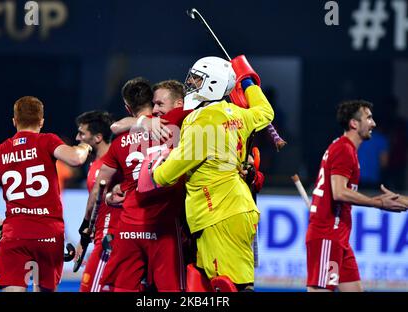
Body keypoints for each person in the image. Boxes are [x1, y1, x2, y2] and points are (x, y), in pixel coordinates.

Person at [151, 56, 274, 291]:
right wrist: (248, 83)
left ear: (214, 83)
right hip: (234, 208)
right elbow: (265, 112)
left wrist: (153, 170)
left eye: (197, 79)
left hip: (219, 212)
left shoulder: (202, 121)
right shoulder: (238, 114)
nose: (190, 84)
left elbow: (166, 174)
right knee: (212, 283)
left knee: (228, 287)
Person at [81, 77, 190, 292]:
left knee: (123, 288)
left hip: (130, 227)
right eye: (156, 104)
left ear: (127, 107)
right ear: (152, 101)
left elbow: (99, 187)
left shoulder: (119, 141)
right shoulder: (173, 125)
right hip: (164, 226)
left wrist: (109, 198)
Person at [0, 96, 92, 292]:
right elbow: (76, 159)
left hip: (15, 234)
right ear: (41, 122)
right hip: (49, 233)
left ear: (14, 121)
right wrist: (84, 146)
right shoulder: (47, 140)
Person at [305, 100, 407, 292]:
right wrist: (378, 203)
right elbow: (340, 192)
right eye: (368, 118)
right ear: (354, 123)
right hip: (328, 234)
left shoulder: (345, 148)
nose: (374, 123)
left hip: (340, 238)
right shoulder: (344, 149)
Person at [73, 110, 123, 292]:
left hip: (112, 237)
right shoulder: (93, 163)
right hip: (100, 234)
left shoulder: (116, 161)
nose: (77, 138)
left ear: (98, 137)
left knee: (89, 289)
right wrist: (84, 238)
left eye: (82, 133)